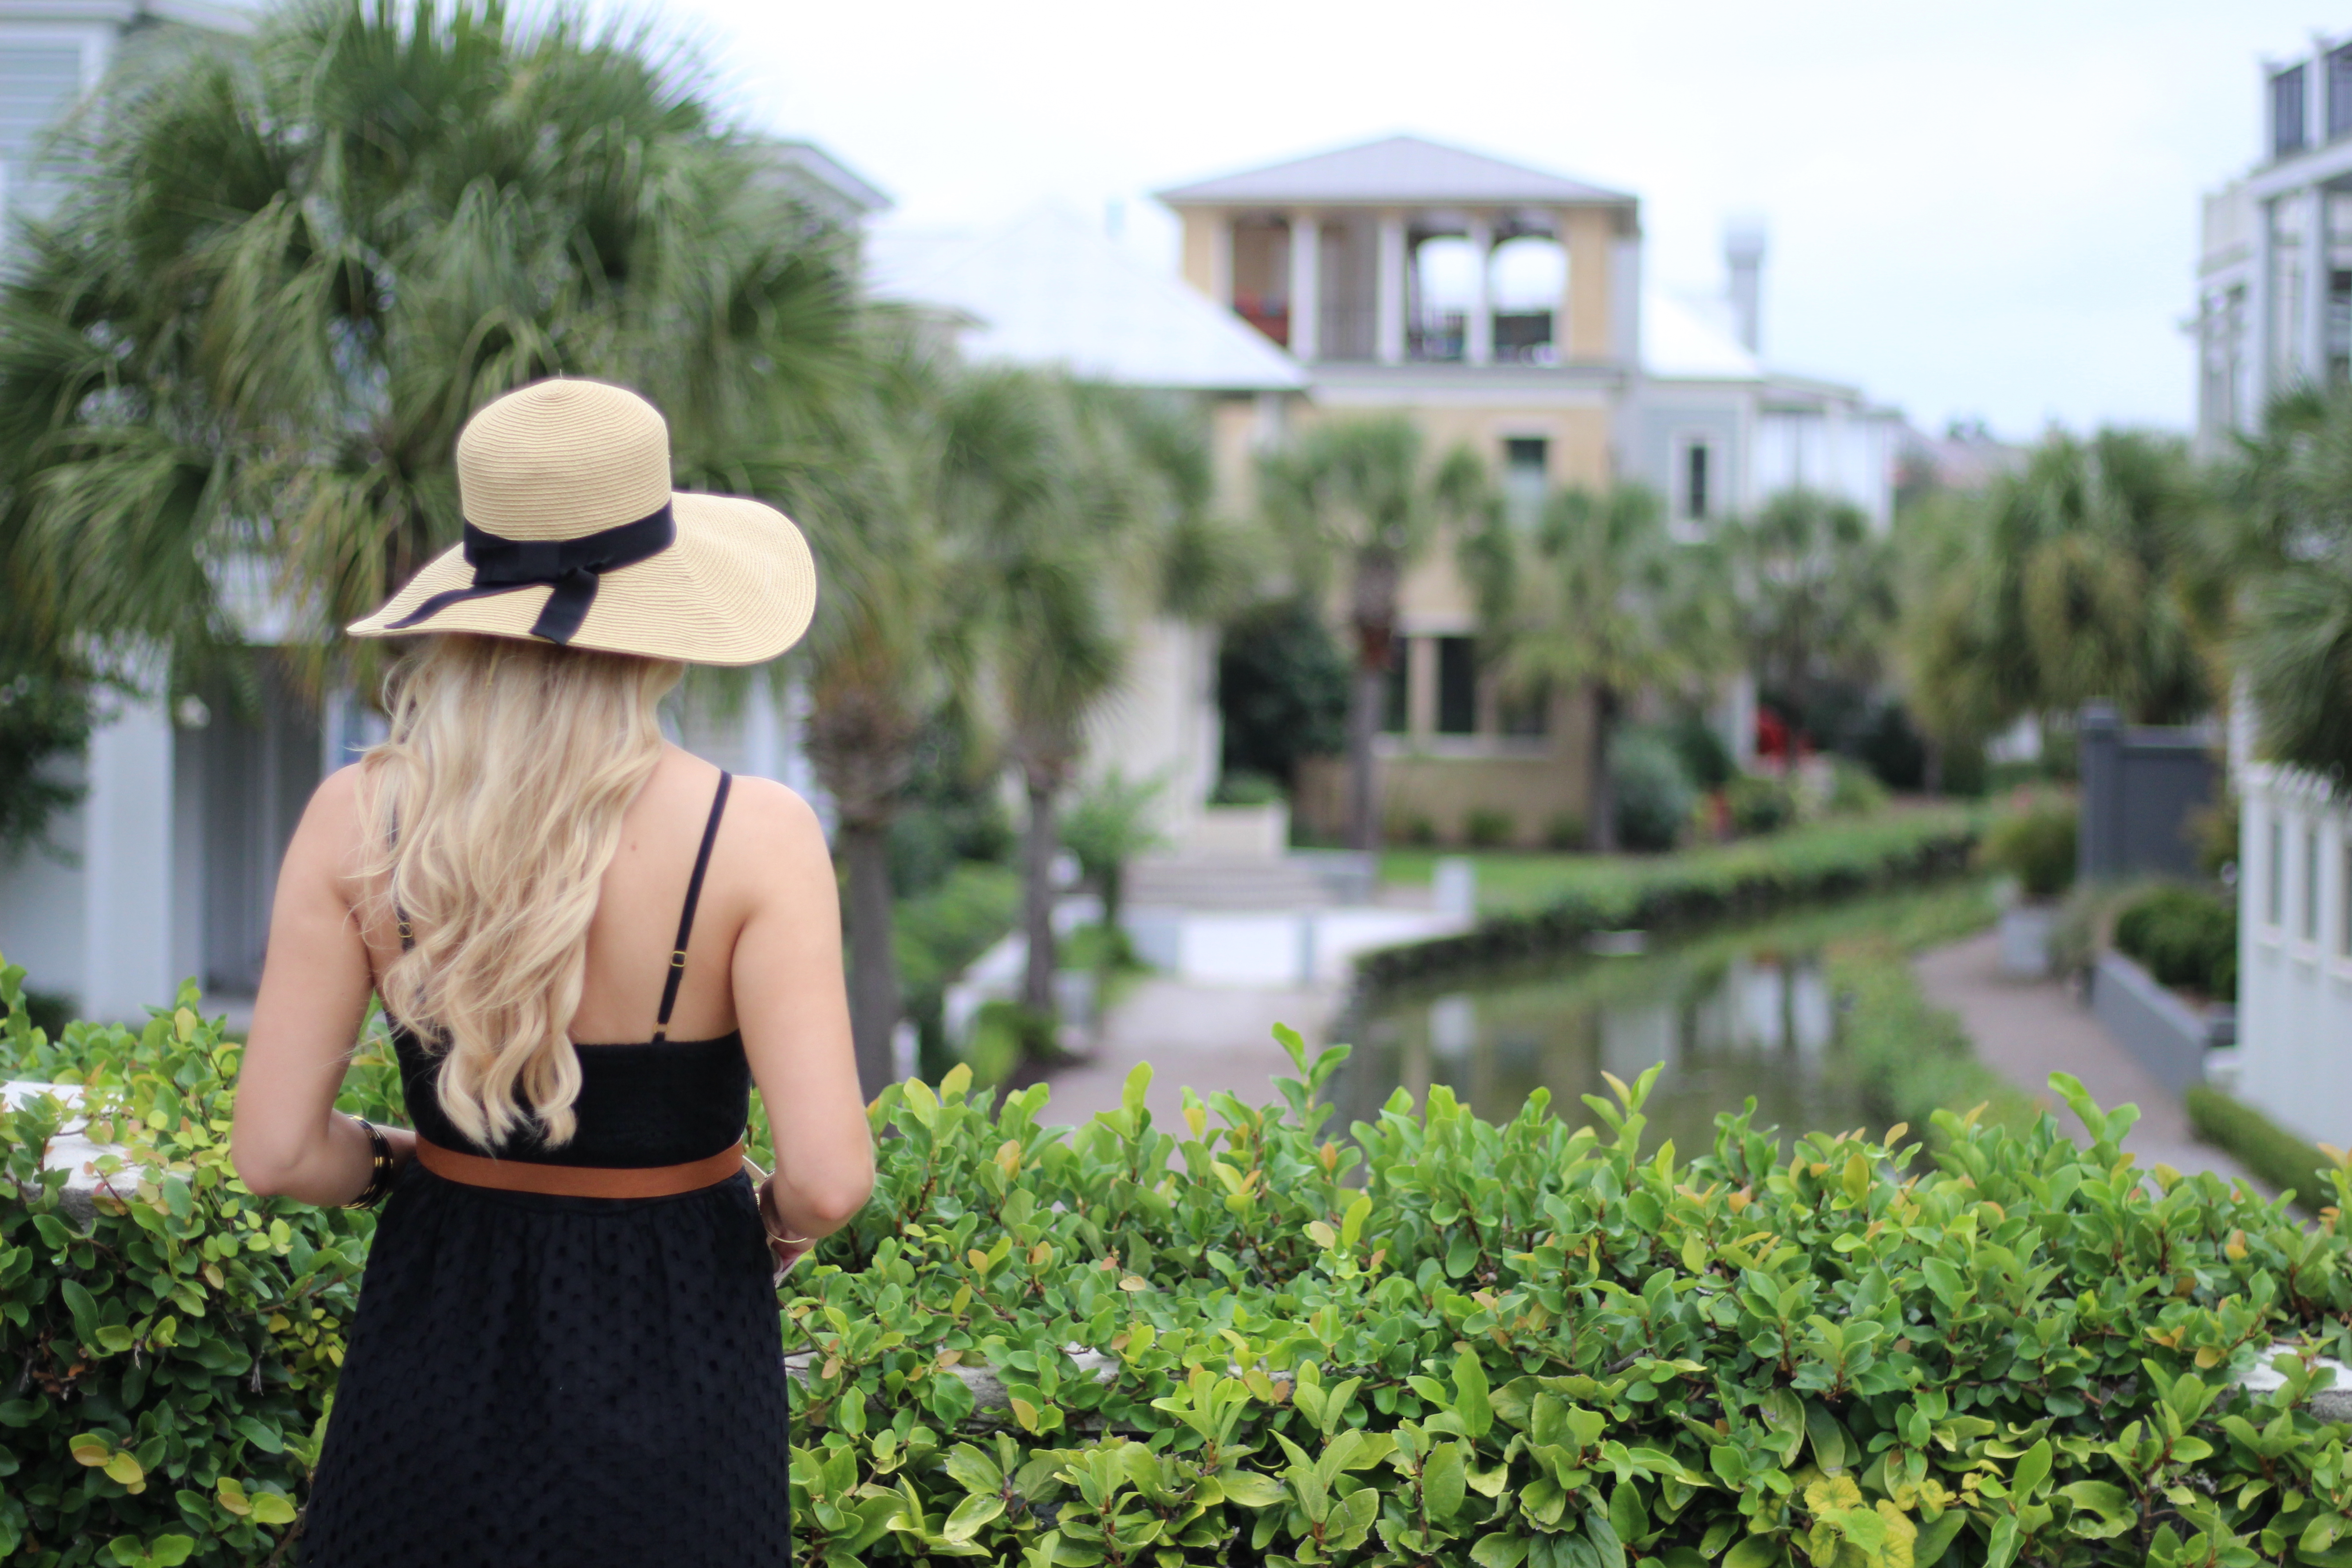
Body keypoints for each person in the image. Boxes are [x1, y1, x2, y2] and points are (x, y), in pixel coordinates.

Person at [229, 378, 873, 1567]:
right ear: (667, 607)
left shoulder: (357, 818)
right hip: (682, 1353)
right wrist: (756, 1229)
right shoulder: (756, 833)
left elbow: (274, 1152)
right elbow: (830, 1181)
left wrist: (401, 1162)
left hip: (432, 1350)